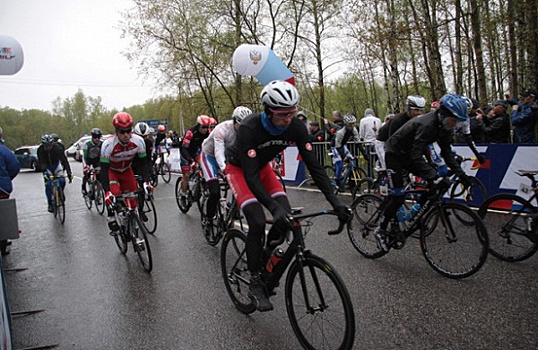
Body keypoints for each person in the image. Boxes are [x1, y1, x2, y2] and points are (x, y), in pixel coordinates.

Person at [226, 80, 350, 312]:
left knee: (287, 218)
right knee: (257, 220)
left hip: (263, 169)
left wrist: (336, 201)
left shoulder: (295, 127)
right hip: (240, 170)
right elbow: (251, 177)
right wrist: (273, 208)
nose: (288, 119)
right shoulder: (249, 128)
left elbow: (315, 167)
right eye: (283, 114)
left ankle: (263, 256)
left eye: (292, 112)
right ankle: (254, 282)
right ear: (268, 111)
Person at [374, 93, 473, 252]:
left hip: (410, 155)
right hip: (395, 154)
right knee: (398, 196)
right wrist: (433, 175)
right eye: (453, 120)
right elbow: (416, 154)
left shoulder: (445, 126)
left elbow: (447, 153)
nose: (455, 125)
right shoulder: (427, 124)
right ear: (443, 115)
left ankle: (414, 215)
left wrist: (462, 175)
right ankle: (380, 228)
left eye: (457, 122)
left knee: (436, 186)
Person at [200, 106, 252, 240]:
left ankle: (233, 210)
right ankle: (209, 220)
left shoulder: (247, 131)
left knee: (240, 184)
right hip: (210, 156)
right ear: (234, 121)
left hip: (229, 155)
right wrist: (225, 170)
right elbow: (218, 153)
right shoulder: (222, 129)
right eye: (240, 126)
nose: (243, 130)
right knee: (215, 191)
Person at [100, 112, 152, 235]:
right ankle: (112, 217)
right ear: (116, 131)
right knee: (115, 195)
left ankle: (134, 225)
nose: (126, 135)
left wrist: (146, 181)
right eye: (122, 132)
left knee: (133, 202)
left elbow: (144, 164)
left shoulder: (139, 141)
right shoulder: (108, 144)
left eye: (128, 131)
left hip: (127, 170)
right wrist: (107, 192)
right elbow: (103, 170)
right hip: (112, 171)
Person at [375, 95, 426, 169]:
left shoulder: (419, 121)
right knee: (390, 167)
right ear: (409, 109)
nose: (419, 113)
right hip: (383, 142)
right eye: (416, 110)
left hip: (397, 144)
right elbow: (391, 142)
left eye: (421, 110)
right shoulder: (398, 120)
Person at [177, 115, 212, 207]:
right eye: (203, 127)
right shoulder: (191, 133)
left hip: (195, 151)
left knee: (205, 166)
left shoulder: (208, 132)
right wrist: (191, 161)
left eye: (207, 127)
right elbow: (184, 149)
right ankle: (183, 195)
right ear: (198, 125)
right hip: (185, 152)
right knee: (186, 174)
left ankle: (200, 184)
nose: (205, 129)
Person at [37, 134, 73, 213]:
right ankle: (50, 203)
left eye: (50, 146)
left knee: (62, 180)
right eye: (46, 146)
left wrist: (69, 172)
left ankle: (61, 193)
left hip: (56, 165)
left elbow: (64, 160)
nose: (48, 148)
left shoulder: (58, 148)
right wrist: (45, 172)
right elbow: (41, 162)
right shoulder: (40, 150)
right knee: (48, 184)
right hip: (47, 167)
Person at [0, 131, 20, 255]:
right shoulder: (4, 150)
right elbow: (14, 166)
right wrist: (6, 179)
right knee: (3, 215)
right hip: (2, 189)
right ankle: (3, 243)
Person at [359, 108, 382, 176]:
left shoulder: (363, 121)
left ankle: (371, 179)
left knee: (369, 163)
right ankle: (380, 178)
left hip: (368, 144)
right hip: (377, 143)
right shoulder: (378, 120)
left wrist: (362, 139)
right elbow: (380, 132)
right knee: (379, 162)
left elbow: (361, 134)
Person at [82, 128, 104, 197]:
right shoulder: (87, 144)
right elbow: (84, 156)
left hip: (97, 160)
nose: (97, 139)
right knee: (86, 173)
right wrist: (86, 166)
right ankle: (83, 188)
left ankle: (98, 193)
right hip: (88, 160)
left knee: (100, 176)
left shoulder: (102, 144)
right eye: (95, 137)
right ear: (92, 137)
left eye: (98, 137)